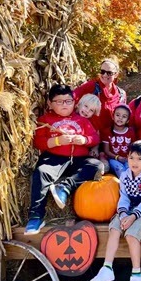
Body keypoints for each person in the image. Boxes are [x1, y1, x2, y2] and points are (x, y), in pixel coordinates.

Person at [25, 84, 102, 235]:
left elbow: (94, 138)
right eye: (59, 102)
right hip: (55, 158)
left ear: (74, 102)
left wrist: (84, 139)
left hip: (79, 158)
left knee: (96, 166)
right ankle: (35, 216)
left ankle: (65, 187)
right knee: (41, 173)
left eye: (68, 101)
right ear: (50, 103)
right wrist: (58, 141)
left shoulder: (82, 121)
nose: (64, 105)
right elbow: (38, 142)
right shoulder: (45, 120)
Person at [88, 140, 141, 281]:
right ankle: (107, 268)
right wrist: (122, 214)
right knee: (114, 229)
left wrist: (133, 216)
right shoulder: (125, 175)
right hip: (127, 212)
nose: (134, 162)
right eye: (131, 158)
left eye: (140, 159)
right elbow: (124, 197)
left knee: (131, 235)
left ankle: (136, 275)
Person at [73, 57, 127, 134]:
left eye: (109, 73)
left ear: (116, 74)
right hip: (90, 136)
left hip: (110, 138)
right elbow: (71, 97)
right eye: (102, 71)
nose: (105, 75)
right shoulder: (91, 86)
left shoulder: (121, 95)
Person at [102, 104, 136, 179]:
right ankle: (124, 185)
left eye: (124, 116)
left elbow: (133, 148)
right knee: (120, 169)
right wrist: (117, 157)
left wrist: (129, 158)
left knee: (130, 169)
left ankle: (131, 186)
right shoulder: (107, 132)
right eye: (118, 115)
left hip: (128, 159)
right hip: (113, 159)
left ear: (128, 120)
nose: (120, 118)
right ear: (113, 116)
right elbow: (106, 151)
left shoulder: (131, 132)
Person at [75, 94, 103, 163]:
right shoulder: (71, 115)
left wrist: (95, 148)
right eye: (86, 106)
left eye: (91, 110)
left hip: (84, 151)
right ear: (79, 104)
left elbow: (96, 136)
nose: (87, 111)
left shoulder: (90, 122)